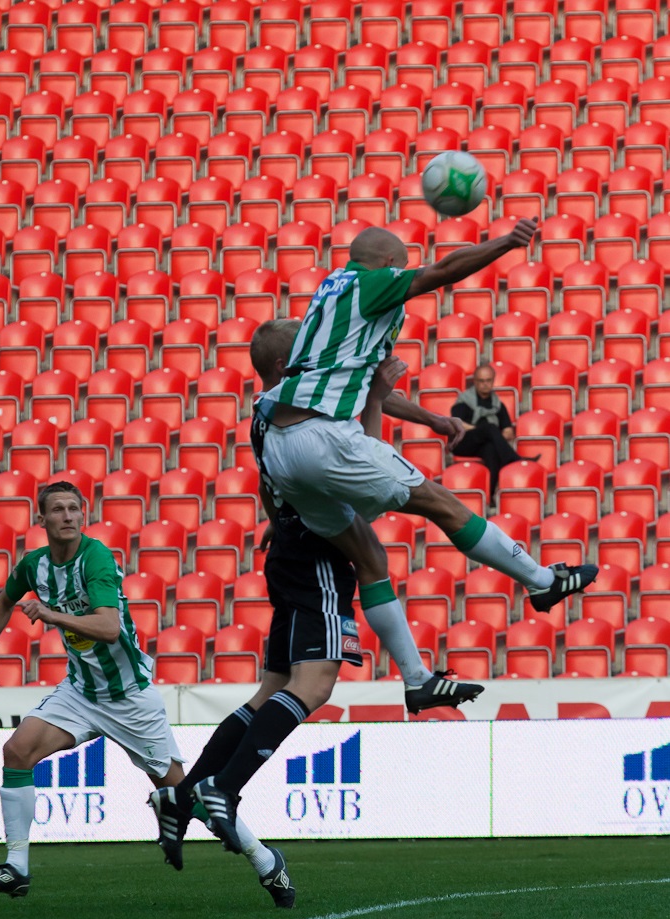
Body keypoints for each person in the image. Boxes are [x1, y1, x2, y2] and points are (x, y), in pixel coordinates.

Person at [150, 321, 484, 878]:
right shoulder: (304, 413)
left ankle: (182, 797)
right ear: (286, 368)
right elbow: (362, 468)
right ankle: (222, 790)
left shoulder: (266, 412)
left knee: (272, 689)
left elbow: (298, 473)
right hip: (319, 556)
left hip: (289, 550)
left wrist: (280, 517)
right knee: (314, 686)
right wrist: (379, 398)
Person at [254, 223, 598, 640]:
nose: (402, 276)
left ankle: (417, 679)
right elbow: (442, 271)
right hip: (323, 438)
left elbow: (357, 385)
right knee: (441, 505)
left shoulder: (329, 298)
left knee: (370, 557)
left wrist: (433, 420)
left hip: (280, 445)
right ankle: (541, 581)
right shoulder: (370, 284)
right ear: (387, 265)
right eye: (400, 268)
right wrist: (507, 242)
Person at [0, 481, 186, 899]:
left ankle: (265, 860)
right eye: (58, 509)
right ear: (43, 520)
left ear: (82, 516)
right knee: (16, 751)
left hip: (129, 697)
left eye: (74, 508)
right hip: (82, 693)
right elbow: (1, 602)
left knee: (184, 792)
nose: (67, 516)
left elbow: (108, 628)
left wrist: (50, 614)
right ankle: (16, 868)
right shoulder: (35, 565)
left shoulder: (97, 557)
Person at [450, 361, 537, 503]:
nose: (485, 384)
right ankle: (514, 459)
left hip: (484, 445)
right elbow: (457, 424)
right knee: (490, 427)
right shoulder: (464, 401)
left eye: (488, 380)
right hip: (464, 442)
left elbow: (508, 432)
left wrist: (496, 436)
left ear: (493, 381)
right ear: (475, 382)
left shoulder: (498, 405)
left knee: (491, 450)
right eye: (481, 381)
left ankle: (488, 497)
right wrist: (484, 431)